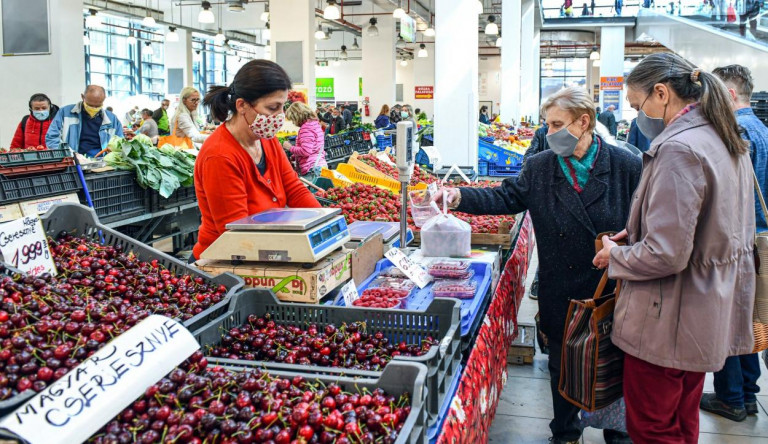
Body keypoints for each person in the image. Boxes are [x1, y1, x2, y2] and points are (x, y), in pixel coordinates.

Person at [436, 87, 641, 444]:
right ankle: (565, 433)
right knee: (563, 367)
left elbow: (646, 222)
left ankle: (618, 436)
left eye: (557, 124)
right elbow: (505, 196)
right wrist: (458, 196)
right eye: (547, 124)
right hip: (561, 289)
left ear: (584, 122)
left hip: (614, 289)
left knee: (613, 366)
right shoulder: (541, 166)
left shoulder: (626, 166)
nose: (549, 133)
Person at [593, 53, 755, 443]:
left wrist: (616, 255)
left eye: (637, 105)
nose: (637, 116)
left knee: (652, 427)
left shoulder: (678, 149)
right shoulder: (721, 137)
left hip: (667, 318)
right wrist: (635, 234)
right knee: (683, 420)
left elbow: (666, 254)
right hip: (705, 312)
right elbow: (705, 229)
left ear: (661, 94)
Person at [695, 64, 768, 423]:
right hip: (761, 241)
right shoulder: (764, 130)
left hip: (740, 241)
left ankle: (731, 397)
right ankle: (750, 394)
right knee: (753, 319)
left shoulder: (734, 132)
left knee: (731, 320)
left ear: (730, 94)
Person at [192, 60, 320, 261]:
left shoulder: (267, 141)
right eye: (272, 108)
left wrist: (325, 225)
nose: (280, 116)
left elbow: (294, 188)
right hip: (226, 261)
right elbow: (237, 232)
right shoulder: (219, 155)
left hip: (264, 250)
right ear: (242, 105)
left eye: (282, 107)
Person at [46, 85, 124, 156]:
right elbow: (52, 138)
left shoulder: (112, 119)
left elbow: (120, 141)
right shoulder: (65, 113)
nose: (94, 108)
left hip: (102, 161)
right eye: (90, 105)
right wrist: (71, 155)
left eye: (98, 105)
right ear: (83, 97)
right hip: (73, 161)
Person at [283, 101, 327, 179]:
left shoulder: (306, 128)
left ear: (297, 116)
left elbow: (306, 151)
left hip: (311, 169)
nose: (293, 122)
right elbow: (313, 148)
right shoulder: (315, 124)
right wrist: (295, 156)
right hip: (319, 166)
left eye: (293, 119)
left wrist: (290, 147)